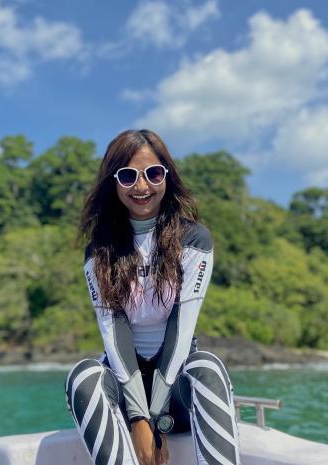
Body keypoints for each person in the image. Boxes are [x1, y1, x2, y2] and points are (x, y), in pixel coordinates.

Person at [65, 129, 241, 465]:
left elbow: (182, 328)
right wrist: (137, 418)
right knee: (83, 376)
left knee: (208, 367)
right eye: (128, 176)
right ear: (114, 183)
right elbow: (113, 331)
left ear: (167, 176)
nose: (142, 186)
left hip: (175, 394)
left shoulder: (194, 239)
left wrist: (154, 416)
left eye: (153, 173)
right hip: (124, 387)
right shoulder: (98, 251)